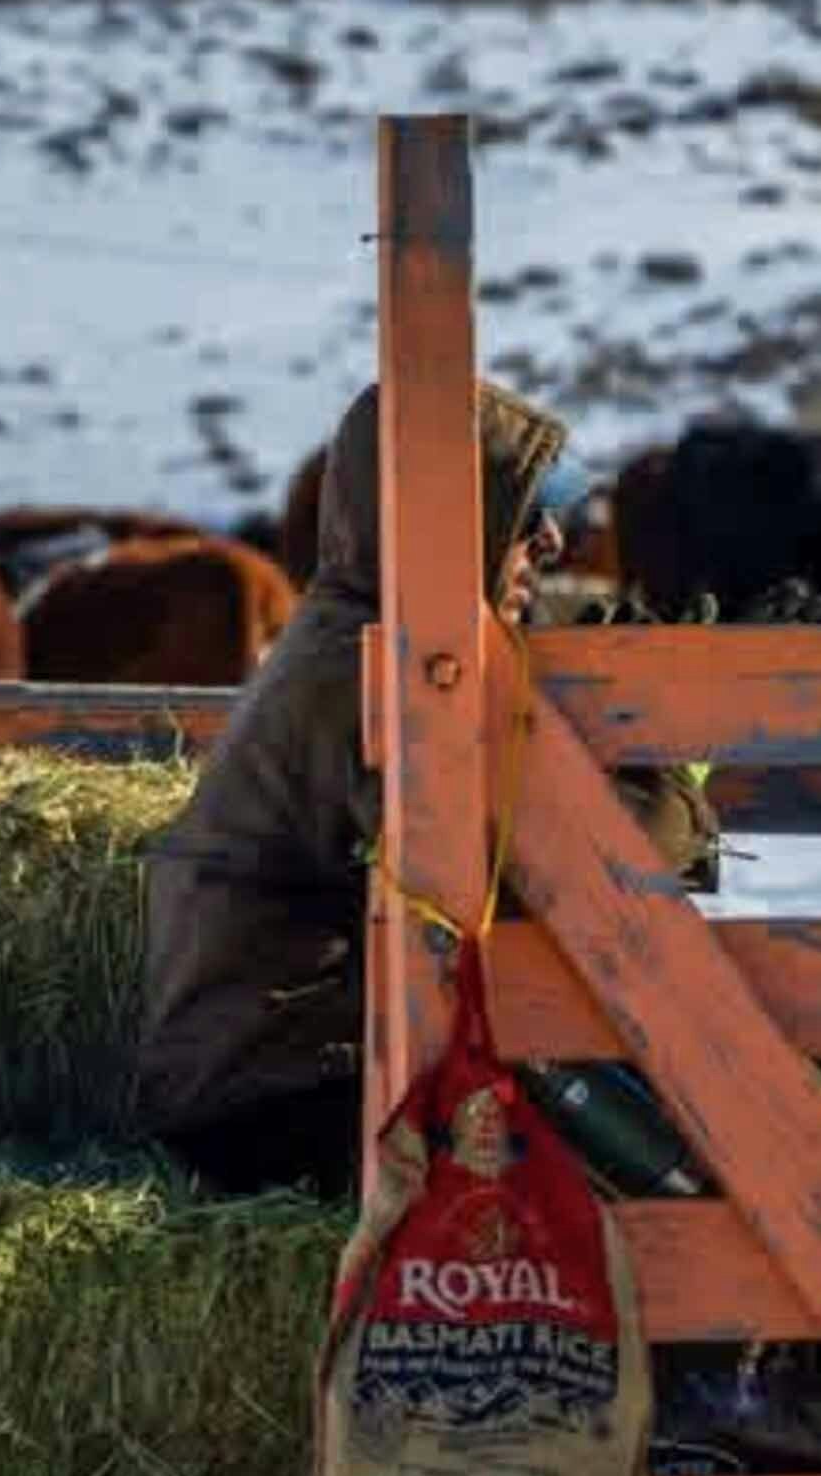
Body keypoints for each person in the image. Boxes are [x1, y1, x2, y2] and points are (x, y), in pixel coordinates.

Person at [136, 376, 718, 1200]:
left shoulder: (359, 641)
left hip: (277, 1069)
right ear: (447, 520)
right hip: (280, 1099)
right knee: (632, 1199)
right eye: (524, 514)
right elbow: (552, 884)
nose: (552, 541)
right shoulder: (370, 674)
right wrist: (663, 755)